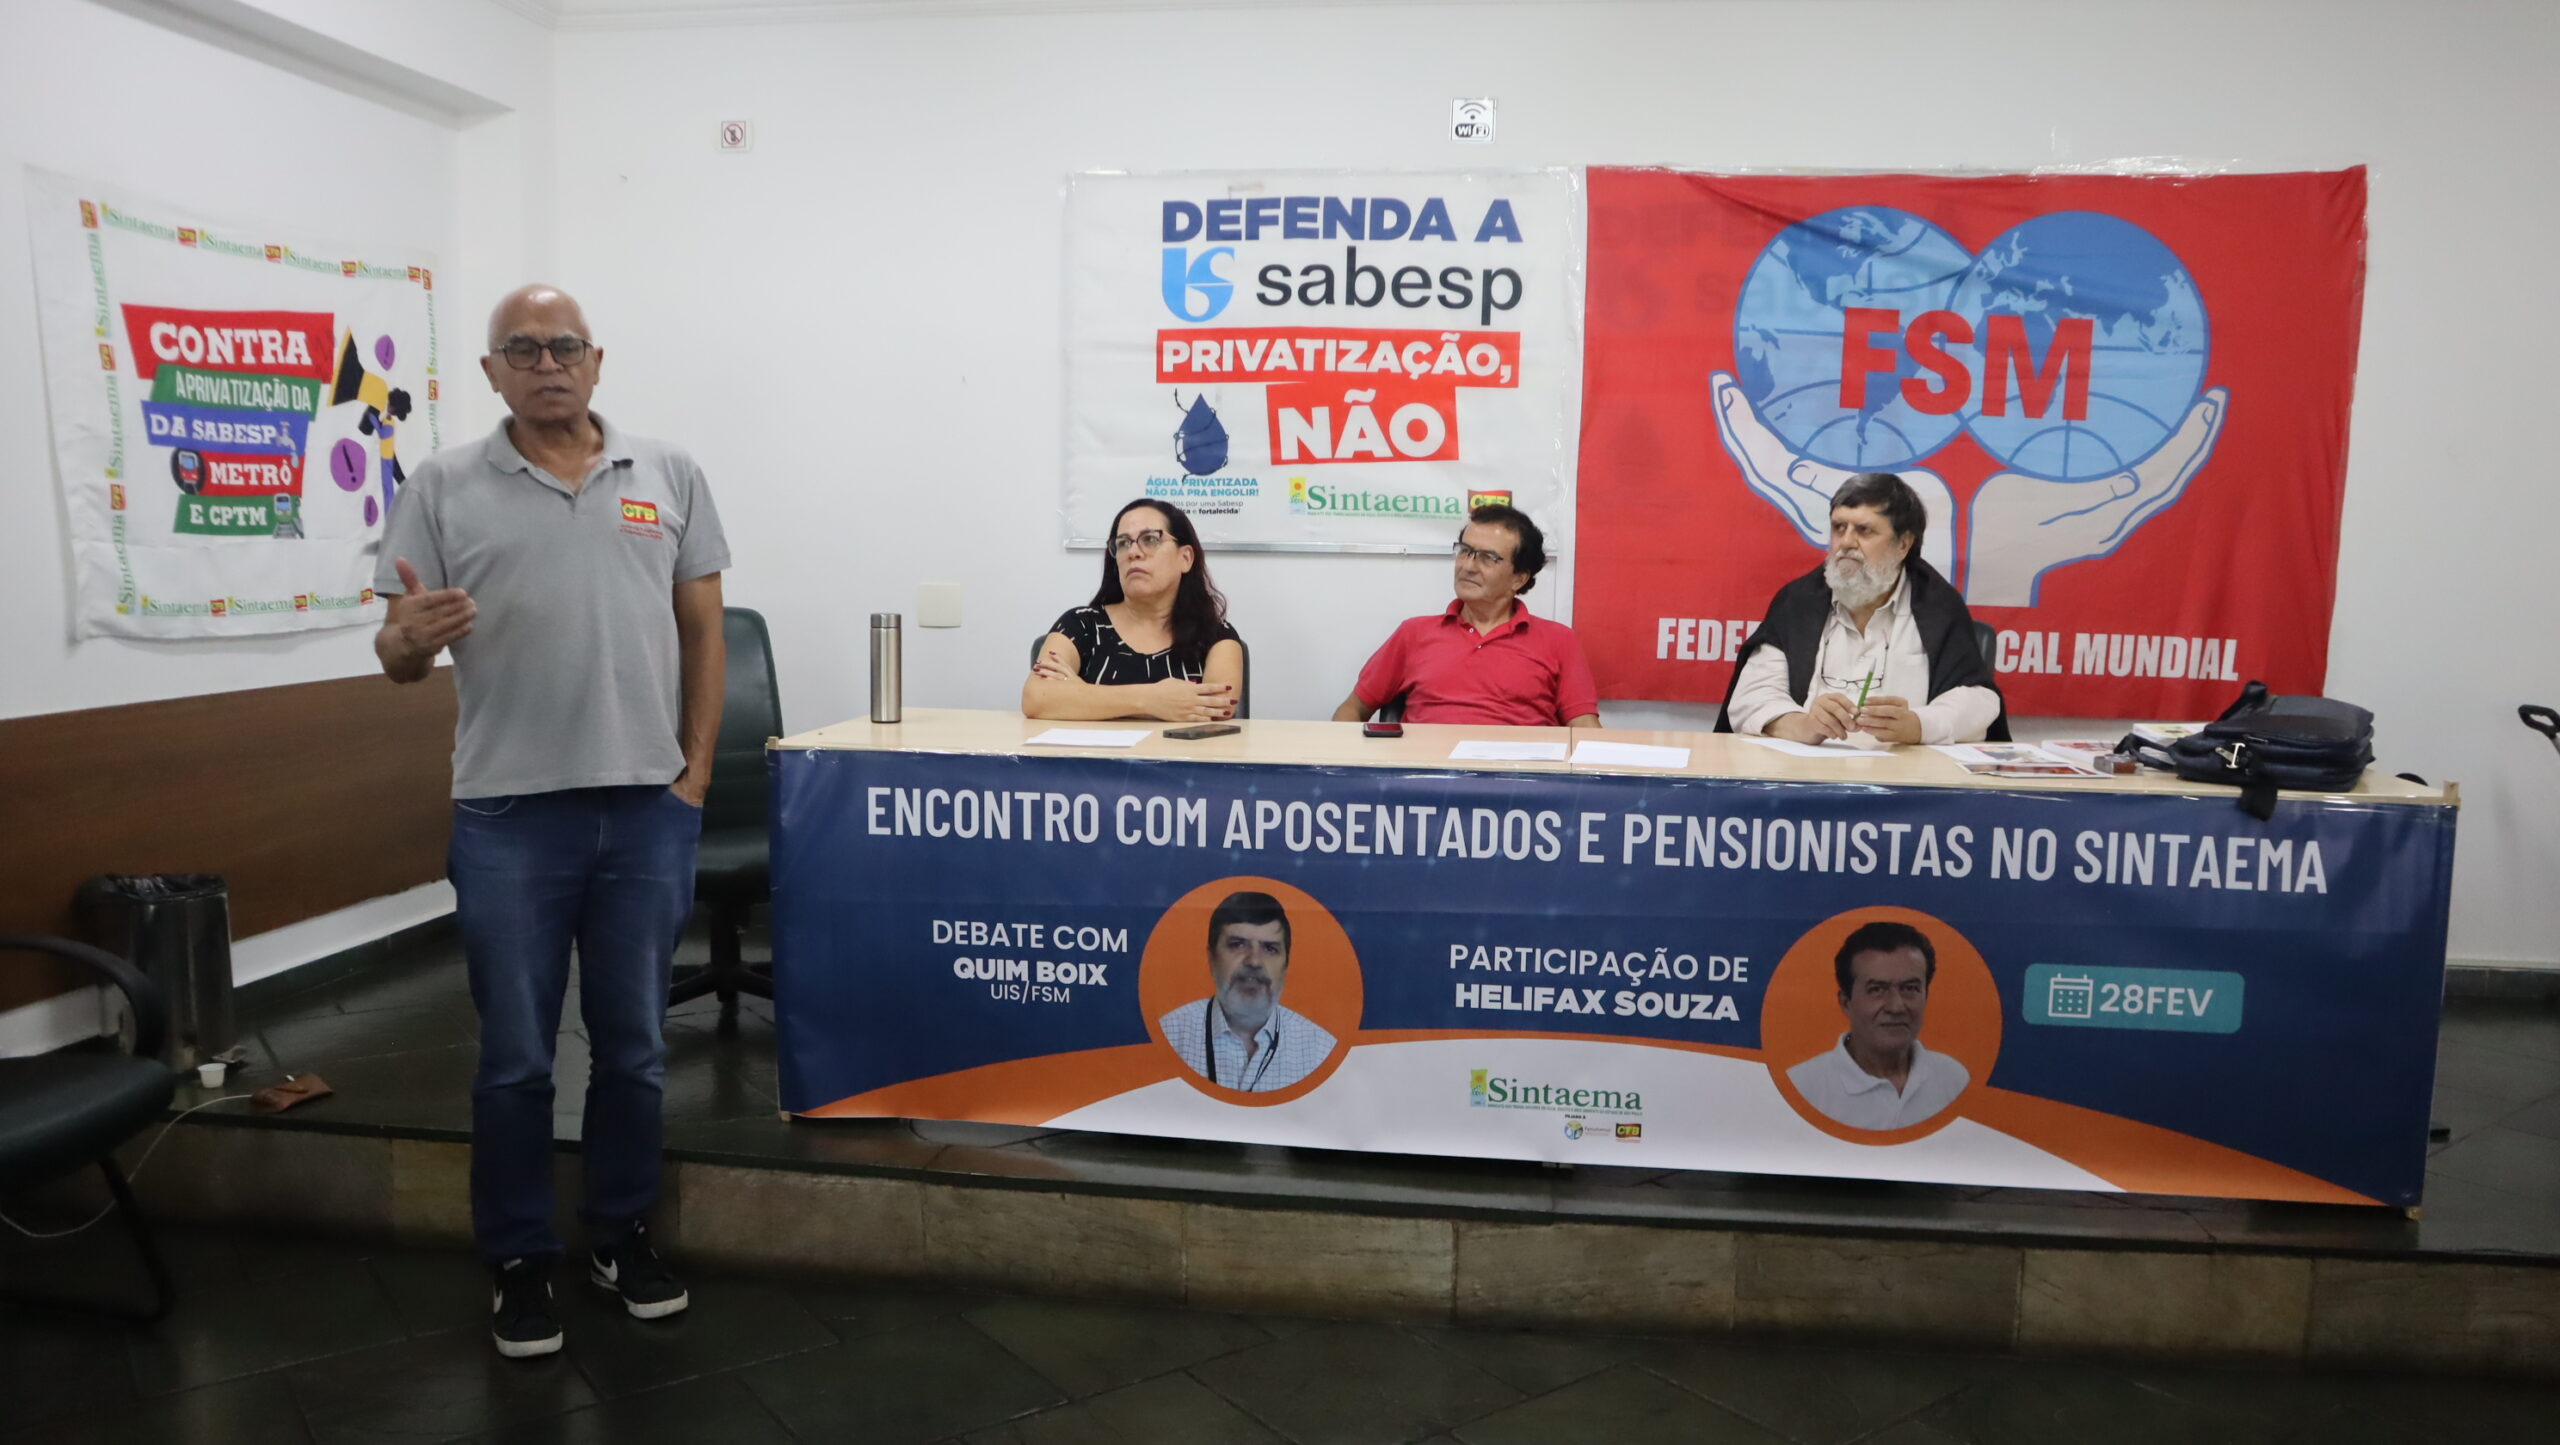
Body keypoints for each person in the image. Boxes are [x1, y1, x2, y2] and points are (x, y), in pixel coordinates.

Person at [373, 283, 726, 1359]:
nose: (546, 364)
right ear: (491, 372)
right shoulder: (441, 485)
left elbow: (704, 633)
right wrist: (408, 641)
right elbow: (395, 653)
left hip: (646, 808)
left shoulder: (668, 472)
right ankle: (520, 1255)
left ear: (596, 359)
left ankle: (619, 1233)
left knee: (635, 1048)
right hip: (509, 815)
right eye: (520, 350)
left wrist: (694, 777)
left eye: (563, 345)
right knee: (517, 1056)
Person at [1719, 472, 2006, 746]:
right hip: (1804, 770)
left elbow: (1978, 701)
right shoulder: (1797, 602)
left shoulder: (1938, 607)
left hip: (1904, 771)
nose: (1846, 542)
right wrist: (1803, 724)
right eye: (1839, 528)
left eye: (1864, 531)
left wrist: (1919, 725)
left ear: (1903, 544)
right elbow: (1751, 697)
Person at [1332, 504, 1600, 728]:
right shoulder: (1413, 633)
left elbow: (1585, 729)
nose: (1468, 566)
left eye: (1487, 558)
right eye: (1465, 551)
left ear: (1518, 578)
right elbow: (1351, 710)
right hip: (1426, 771)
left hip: (1518, 772)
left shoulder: (1558, 640)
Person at [1024, 498, 1242, 723]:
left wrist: (1083, 694)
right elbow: (1037, 698)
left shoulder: (1216, 634)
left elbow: (1217, 710)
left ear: (1185, 558)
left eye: (1150, 539)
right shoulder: (1080, 625)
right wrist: (1152, 700)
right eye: (1123, 543)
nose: (1133, 552)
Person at [1786, 921, 1973, 1130]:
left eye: (1910, 988)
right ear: (1846, 1003)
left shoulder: (1953, 1078)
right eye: (1877, 990)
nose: (1896, 1007)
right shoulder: (1802, 1087)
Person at [1158, 891, 1339, 1092]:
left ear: (1286, 965)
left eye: (1269, 949)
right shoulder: (1168, 1034)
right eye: (1237, 945)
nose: (1254, 961)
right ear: (1211, 958)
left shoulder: (1321, 1050)